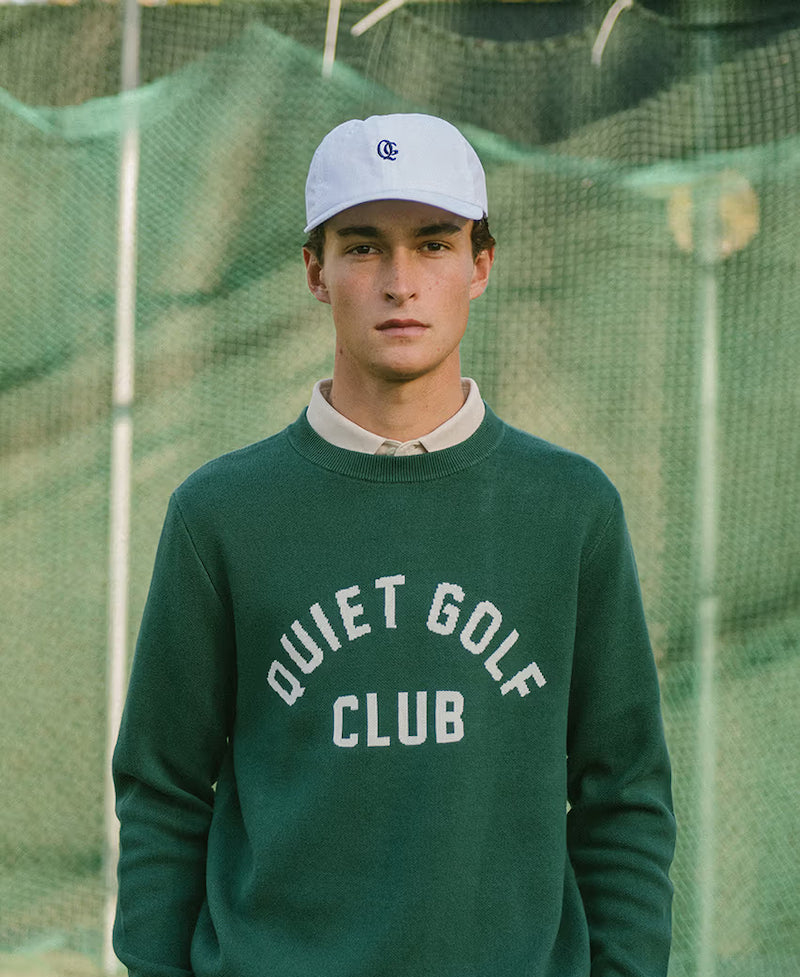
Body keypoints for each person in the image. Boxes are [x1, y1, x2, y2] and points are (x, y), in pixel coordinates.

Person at [113, 113, 676, 977]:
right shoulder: (220, 514)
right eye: (365, 246)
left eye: (435, 244)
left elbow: (624, 791)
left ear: (481, 265)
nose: (400, 282)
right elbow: (164, 792)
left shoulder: (569, 509)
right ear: (316, 271)